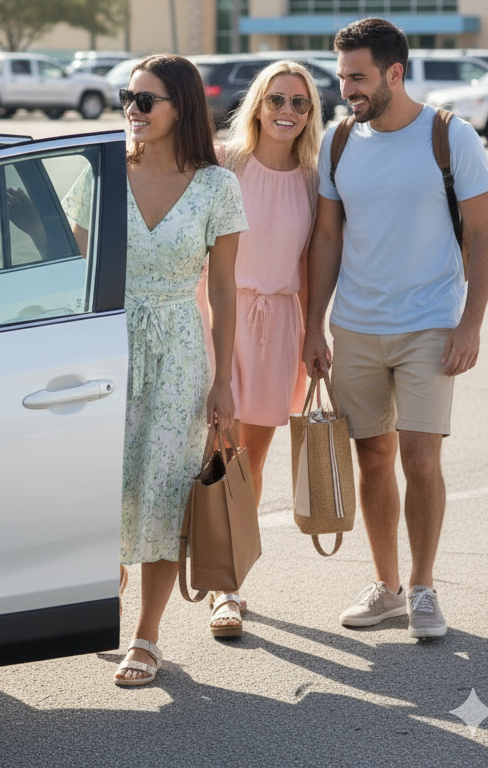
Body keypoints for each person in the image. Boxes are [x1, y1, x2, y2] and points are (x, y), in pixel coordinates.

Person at [303, 17, 488, 639]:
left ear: (395, 72)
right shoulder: (338, 143)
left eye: (358, 78)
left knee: (420, 457)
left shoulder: (451, 137)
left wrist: (470, 323)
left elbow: (486, 235)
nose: (347, 90)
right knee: (371, 458)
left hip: (430, 326)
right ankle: (386, 588)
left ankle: (424, 588)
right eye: (341, 78)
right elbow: (328, 237)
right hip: (357, 327)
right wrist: (314, 324)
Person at [60, 54, 247, 686]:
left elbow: (224, 291)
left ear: (182, 108)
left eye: (147, 101)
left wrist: (223, 382)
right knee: (98, 484)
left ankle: (147, 634)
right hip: (107, 347)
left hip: (179, 354)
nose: (133, 111)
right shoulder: (103, 173)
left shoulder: (218, 187)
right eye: (128, 98)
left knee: (165, 492)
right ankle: (101, 588)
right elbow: (75, 275)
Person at [202, 60, 324, 637]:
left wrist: (315, 333)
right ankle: (144, 571)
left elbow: (311, 262)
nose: (288, 111)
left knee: (247, 466)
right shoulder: (226, 162)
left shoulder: (313, 179)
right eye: (277, 99)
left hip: (280, 324)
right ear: (257, 103)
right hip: (217, 320)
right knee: (202, 455)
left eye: (300, 103)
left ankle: (229, 589)